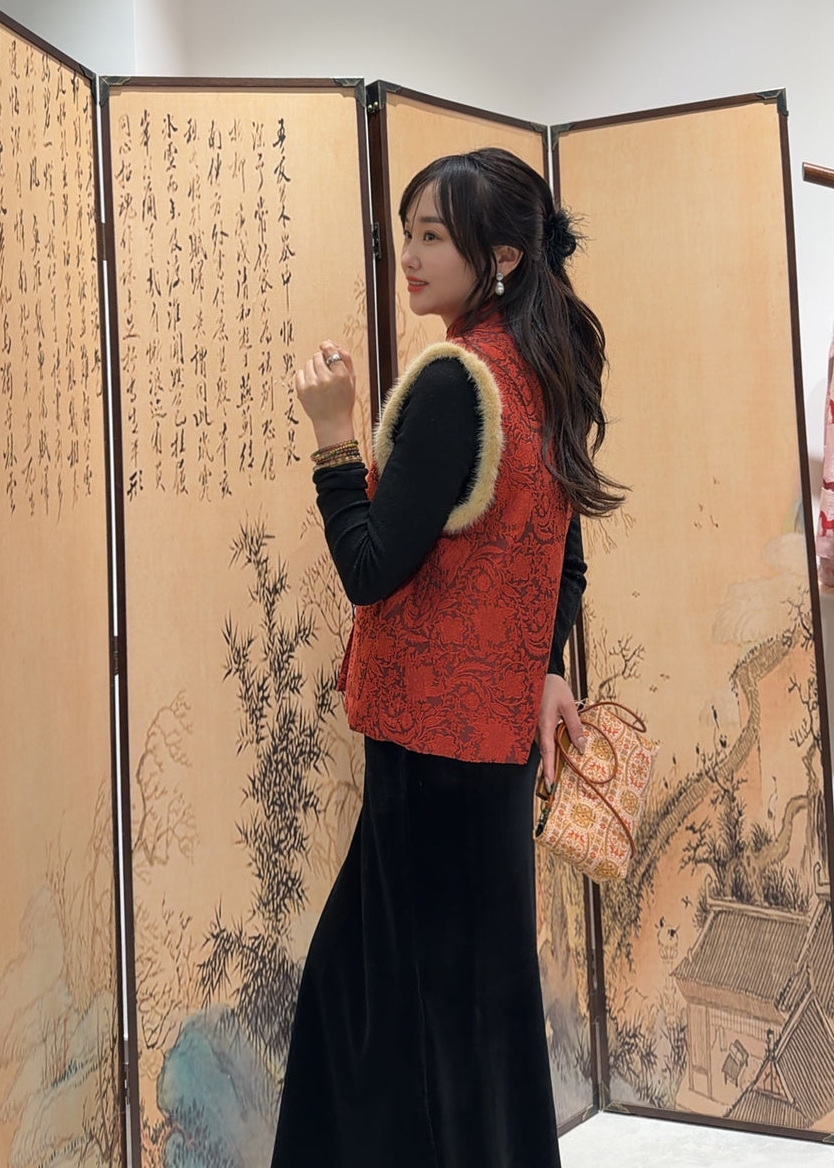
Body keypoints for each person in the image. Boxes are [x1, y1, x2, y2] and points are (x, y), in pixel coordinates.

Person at [270, 147, 622, 1168]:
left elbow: (372, 568)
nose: (411, 254)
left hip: (427, 755)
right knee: (465, 1009)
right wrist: (544, 665)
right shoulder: (542, 366)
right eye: (407, 229)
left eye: (434, 234)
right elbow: (566, 562)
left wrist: (336, 435)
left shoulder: (456, 382)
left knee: (384, 1016)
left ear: (502, 254)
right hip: (491, 749)